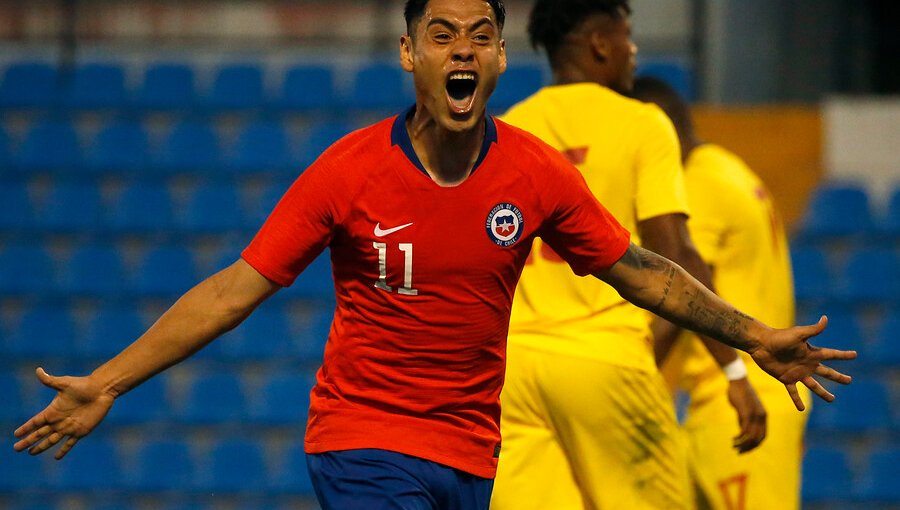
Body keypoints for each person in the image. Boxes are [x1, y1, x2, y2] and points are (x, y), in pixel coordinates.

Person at [13, 1, 853, 510]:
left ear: (494, 60)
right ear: (410, 55)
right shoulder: (349, 172)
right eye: (441, 34)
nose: (462, 49)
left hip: (470, 452)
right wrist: (108, 382)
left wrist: (750, 336)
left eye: (480, 36)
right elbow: (237, 288)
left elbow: (639, 270)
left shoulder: (532, 172)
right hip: (363, 442)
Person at [491, 2, 767, 509]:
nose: (634, 51)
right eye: (628, 35)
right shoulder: (642, 123)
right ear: (600, 43)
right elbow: (677, 255)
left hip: (515, 373)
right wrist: (733, 368)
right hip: (604, 360)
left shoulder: (506, 131)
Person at [631, 76, 811, 510]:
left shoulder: (697, 185)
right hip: (740, 392)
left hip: (737, 396)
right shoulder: (728, 168)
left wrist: (631, 376)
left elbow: (684, 295)